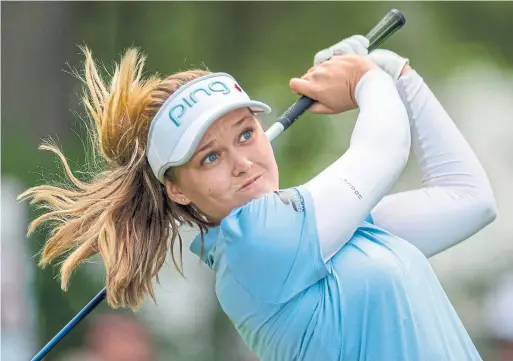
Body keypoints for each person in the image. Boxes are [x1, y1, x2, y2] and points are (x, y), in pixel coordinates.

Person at [19, 35, 497, 361]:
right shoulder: (254, 246)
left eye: (245, 134)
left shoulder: (328, 228)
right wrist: (366, 78)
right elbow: (383, 150)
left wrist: (397, 72)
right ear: (177, 189)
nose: (241, 162)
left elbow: (469, 200)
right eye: (209, 157)